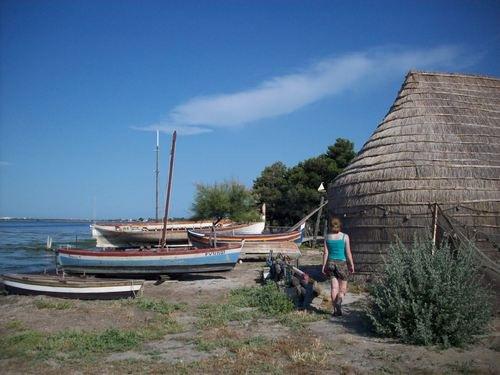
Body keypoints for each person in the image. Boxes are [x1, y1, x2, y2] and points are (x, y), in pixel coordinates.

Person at [321, 217, 354, 316]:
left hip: (330, 263)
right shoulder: (345, 237)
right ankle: (339, 301)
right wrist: (351, 264)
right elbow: (348, 253)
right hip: (342, 264)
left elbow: (325, 253)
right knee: (342, 289)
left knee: (334, 288)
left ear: (330, 226)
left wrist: (323, 266)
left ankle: (335, 310)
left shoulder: (327, 237)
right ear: (340, 226)